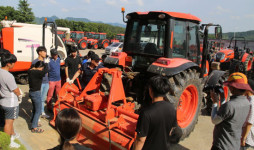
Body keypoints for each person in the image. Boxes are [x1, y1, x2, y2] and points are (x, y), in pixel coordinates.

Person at [133, 75, 181, 150]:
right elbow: (171, 130)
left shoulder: (146, 113)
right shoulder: (172, 108)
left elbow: (140, 140)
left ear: (150, 90)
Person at [210, 72, 252, 150]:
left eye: (229, 86)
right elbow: (227, 114)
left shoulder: (230, 105)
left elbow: (214, 120)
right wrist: (223, 98)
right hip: (234, 145)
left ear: (232, 88)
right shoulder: (247, 103)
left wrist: (215, 103)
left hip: (222, 146)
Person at [0, 53, 22, 148]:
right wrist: (20, 95)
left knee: (9, 121)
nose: (14, 64)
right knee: (9, 123)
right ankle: (8, 142)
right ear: (8, 63)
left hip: (3, 101)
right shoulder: (9, 76)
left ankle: (12, 134)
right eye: (13, 63)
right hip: (10, 103)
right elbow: (15, 89)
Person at [28, 61, 48, 133]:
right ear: (39, 67)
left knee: (34, 108)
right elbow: (45, 71)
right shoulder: (37, 72)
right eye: (41, 68)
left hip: (32, 92)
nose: (42, 69)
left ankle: (33, 122)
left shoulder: (30, 70)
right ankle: (34, 127)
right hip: (36, 93)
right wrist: (46, 63)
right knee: (38, 110)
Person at [31, 46, 50, 119]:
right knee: (38, 99)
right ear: (39, 52)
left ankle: (42, 112)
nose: (45, 53)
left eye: (45, 51)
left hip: (46, 82)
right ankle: (37, 115)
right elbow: (33, 73)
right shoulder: (35, 62)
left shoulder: (46, 61)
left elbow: (48, 70)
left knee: (42, 99)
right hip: (40, 83)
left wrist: (47, 64)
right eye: (44, 51)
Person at [241, 79, 254, 150]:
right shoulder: (248, 99)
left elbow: (250, 122)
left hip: (246, 136)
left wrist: (244, 138)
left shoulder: (252, 102)